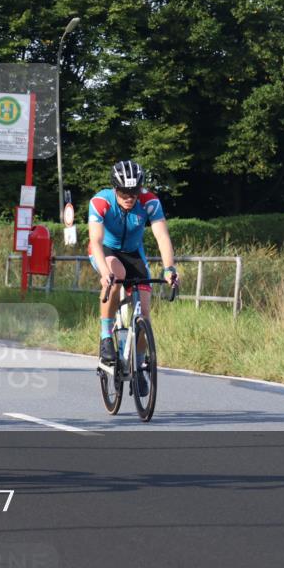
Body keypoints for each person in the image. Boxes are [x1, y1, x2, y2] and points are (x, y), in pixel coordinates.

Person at [88, 160, 179, 394]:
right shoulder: (101, 202)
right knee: (116, 275)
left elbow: (162, 237)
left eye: (134, 191)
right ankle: (106, 335)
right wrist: (104, 273)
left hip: (133, 253)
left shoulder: (149, 202)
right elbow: (95, 242)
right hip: (105, 252)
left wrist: (169, 269)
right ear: (115, 189)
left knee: (144, 315)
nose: (130, 197)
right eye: (124, 192)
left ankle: (138, 367)